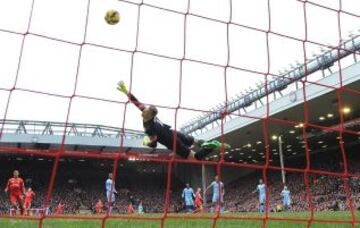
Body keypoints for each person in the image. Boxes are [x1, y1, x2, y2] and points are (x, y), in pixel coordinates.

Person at [117, 81, 230, 160]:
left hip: (172, 142)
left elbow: (154, 144)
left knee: (195, 158)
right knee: (193, 141)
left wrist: (146, 141)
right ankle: (207, 143)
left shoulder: (149, 128)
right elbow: (137, 102)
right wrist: (126, 91)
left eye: (145, 111)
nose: (142, 110)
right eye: (144, 110)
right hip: (173, 132)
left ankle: (211, 146)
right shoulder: (150, 116)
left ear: (150, 116)